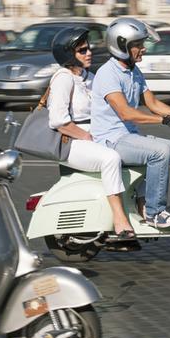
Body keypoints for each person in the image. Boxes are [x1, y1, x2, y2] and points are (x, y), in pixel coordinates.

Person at [91, 18, 170, 228]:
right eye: (138, 45)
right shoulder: (107, 74)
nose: (143, 49)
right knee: (159, 152)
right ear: (121, 46)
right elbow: (126, 113)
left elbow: (152, 102)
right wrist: (164, 120)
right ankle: (155, 213)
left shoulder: (134, 72)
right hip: (111, 140)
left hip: (130, 138)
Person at [46, 27, 134, 240]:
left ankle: (141, 210)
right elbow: (58, 121)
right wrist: (85, 136)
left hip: (95, 135)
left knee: (138, 149)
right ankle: (119, 218)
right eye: (82, 50)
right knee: (111, 158)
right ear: (68, 55)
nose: (89, 53)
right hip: (71, 141)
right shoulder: (63, 78)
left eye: (89, 48)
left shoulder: (90, 76)